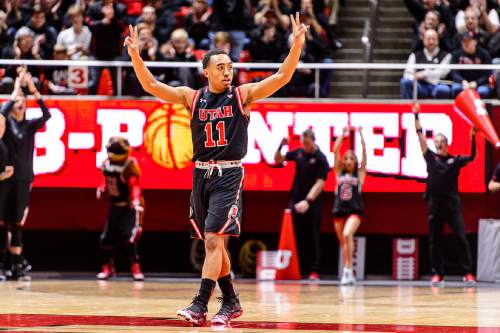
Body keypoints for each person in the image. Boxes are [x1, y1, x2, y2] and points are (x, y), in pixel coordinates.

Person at [124, 11, 309, 326]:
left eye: (230, 67)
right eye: (221, 67)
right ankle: (232, 301)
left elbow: (281, 77)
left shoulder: (242, 96)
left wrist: (296, 46)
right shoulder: (191, 98)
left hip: (229, 174)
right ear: (206, 71)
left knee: (212, 238)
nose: (228, 72)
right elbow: (151, 84)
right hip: (200, 174)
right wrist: (135, 57)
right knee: (214, 242)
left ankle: (200, 304)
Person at [413, 103, 477, 286]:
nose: (439, 144)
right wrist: (416, 116)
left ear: (447, 143)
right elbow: (420, 137)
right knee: (435, 240)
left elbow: (472, 157)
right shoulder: (430, 157)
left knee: (460, 236)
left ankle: (468, 272)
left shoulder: (454, 161)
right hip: (435, 203)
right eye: (436, 142)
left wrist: (472, 137)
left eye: (442, 142)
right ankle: (437, 274)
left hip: (452, 204)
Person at [0, 68, 51, 281]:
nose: (21, 103)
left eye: (23, 100)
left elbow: (47, 114)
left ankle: (16, 266)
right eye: (17, 101)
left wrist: (33, 90)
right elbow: (2, 113)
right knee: (2, 222)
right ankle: (4, 265)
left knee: (18, 223)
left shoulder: (30, 125)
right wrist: (16, 90)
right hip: (5, 178)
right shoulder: (6, 123)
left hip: (23, 178)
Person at [274, 129, 329, 280]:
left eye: (308, 144)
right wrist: (281, 146)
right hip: (295, 199)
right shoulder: (298, 153)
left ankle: (313, 271)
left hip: (312, 202)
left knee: (312, 236)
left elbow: (320, 183)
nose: (305, 146)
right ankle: (298, 269)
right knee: (295, 235)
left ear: (314, 141)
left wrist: (308, 201)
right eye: (303, 144)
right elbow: (278, 159)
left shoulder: (321, 158)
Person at [96, 136, 145, 281]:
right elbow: (107, 181)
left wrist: (135, 200)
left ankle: (135, 267)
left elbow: (134, 185)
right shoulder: (106, 164)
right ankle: (107, 267)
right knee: (106, 238)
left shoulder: (129, 164)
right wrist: (102, 188)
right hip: (115, 205)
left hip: (129, 206)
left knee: (129, 237)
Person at [332, 127, 367, 285]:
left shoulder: (359, 174)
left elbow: (365, 155)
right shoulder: (339, 172)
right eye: (346, 159)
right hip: (339, 210)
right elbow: (335, 151)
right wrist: (342, 134)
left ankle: (347, 270)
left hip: (355, 210)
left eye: (351, 159)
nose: (347, 161)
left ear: (355, 161)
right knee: (343, 243)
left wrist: (361, 137)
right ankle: (350, 273)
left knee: (347, 235)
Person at [400, 29, 452, 99]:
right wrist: (414, 77)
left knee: (444, 89)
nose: (431, 42)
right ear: (423, 40)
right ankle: (408, 108)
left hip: (438, 85)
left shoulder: (446, 55)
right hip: (420, 86)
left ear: (438, 40)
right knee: (405, 82)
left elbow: (442, 73)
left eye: (434, 39)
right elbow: (407, 74)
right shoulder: (414, 55)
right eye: (428, 39)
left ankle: (439, 110)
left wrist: (425, 74)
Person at [450, 31, 492, 99]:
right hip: (461, 83)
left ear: (475, 42)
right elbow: (454, 72)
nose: (466, 44)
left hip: (480, 84)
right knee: (456, 89)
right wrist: (462, 81)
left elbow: (486, 74)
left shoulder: (484, 54)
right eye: (464, 41)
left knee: (483, 91)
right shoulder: (456, 54)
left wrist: (476, 83)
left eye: (468, 41)